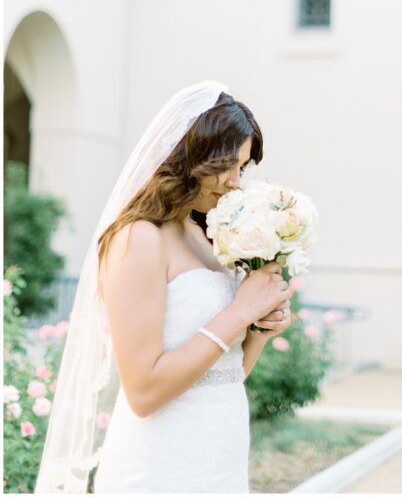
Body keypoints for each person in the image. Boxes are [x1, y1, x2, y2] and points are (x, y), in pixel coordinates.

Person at [37, 82, 293, 493]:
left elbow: (227, 373)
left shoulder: (204, 236)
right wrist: (240, 312)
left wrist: (260, 329)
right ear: (186, 155)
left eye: (242, 168)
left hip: (220, 453)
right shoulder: (140, 237)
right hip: (162, 463)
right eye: (225, 164)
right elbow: (143, 391)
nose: (234, 181)